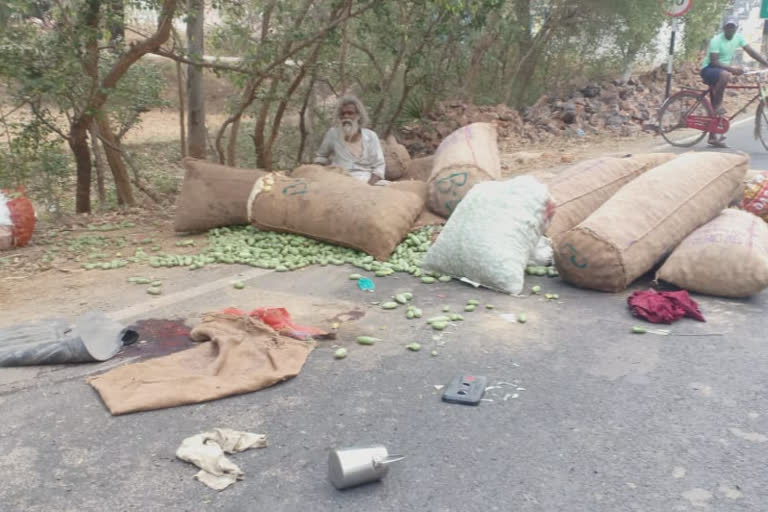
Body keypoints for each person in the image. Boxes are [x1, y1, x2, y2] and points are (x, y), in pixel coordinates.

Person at [700, 18, 768, 147]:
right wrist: (732, 69)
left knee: (723, 78)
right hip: (709, 69)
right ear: (724, 28)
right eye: (728, 27)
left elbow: (751, 52)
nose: (730, 30)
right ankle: (718, 105)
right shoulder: (716, 40)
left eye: (732, 27)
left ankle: (712, 137)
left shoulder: (738, 38)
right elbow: (714, 62)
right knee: (725, 75)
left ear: (736, 29)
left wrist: (766, 63)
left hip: (721, 71)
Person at [313, 95, 386, 184]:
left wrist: (368, 186)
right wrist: (318, 171)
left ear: (358, 115)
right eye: (342, 114)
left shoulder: (371, 136)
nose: (346, 116)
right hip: (338, 179)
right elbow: (321, 156)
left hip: (366, 179)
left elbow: (379, 166)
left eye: (350, 113)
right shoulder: (333, 134)